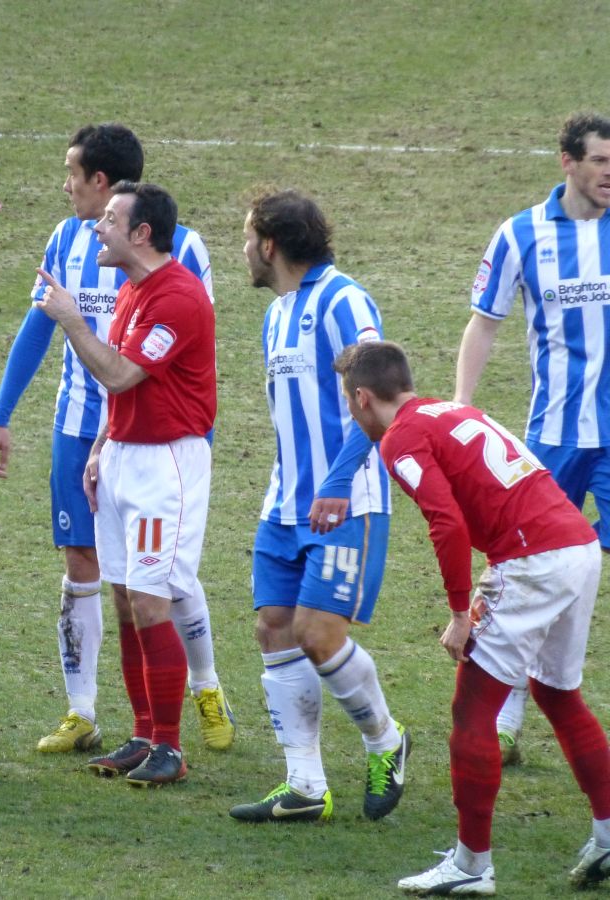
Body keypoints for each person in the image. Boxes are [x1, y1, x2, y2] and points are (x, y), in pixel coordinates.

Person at [0, 123, 234, 756]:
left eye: (72, 174)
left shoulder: (179, 267)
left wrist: (190, 438)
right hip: (99, 434)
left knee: (162, 585)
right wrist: (8, 415)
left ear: (106, 188)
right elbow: (42, 332)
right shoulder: (80, 249)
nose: (65, 188)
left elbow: (164, 356)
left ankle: (198, 694)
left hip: (164, 444)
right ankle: (97, 715)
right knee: (108, 582)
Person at [335, 340, 610, 894]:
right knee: (557, 694)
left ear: (362, 397)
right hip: (577, 547)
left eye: (348, 401)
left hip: (532, 559)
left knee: (472, 709)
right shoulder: (450, 410)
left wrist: (461, 612)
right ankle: (607, 835)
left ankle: (471, 865)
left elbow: (448, 524)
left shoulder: (400, 440)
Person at [228, 188, 408, 823]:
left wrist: (333, 482)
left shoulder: (344, 300)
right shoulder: (276, 315)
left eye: (248, 237)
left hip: (348, 499)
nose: (244, 249)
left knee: (318, 635)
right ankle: (304, 784)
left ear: (271, 244)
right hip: (284, 504)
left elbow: (383, 395)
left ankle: (386, 740)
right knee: (273, 627)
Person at [34, 181, 216, 786]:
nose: (97, 228)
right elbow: (129, 393)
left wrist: (69, 318)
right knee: (123, 598)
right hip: (121, 457)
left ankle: (170, 745)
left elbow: (118, 373)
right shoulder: (135, 291)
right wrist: (101, 444)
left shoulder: (179, 299)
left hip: (165, 465)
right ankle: (143, 735)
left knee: (150, 601)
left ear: (142, 233)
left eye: (110, 219)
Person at [454, 111, 610, 767]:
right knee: (520, 573)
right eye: (601, 160)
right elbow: (484, 323)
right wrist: (460, 406)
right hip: (552, 438)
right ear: (567, 162)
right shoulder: (521, 234)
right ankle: (509, 719)